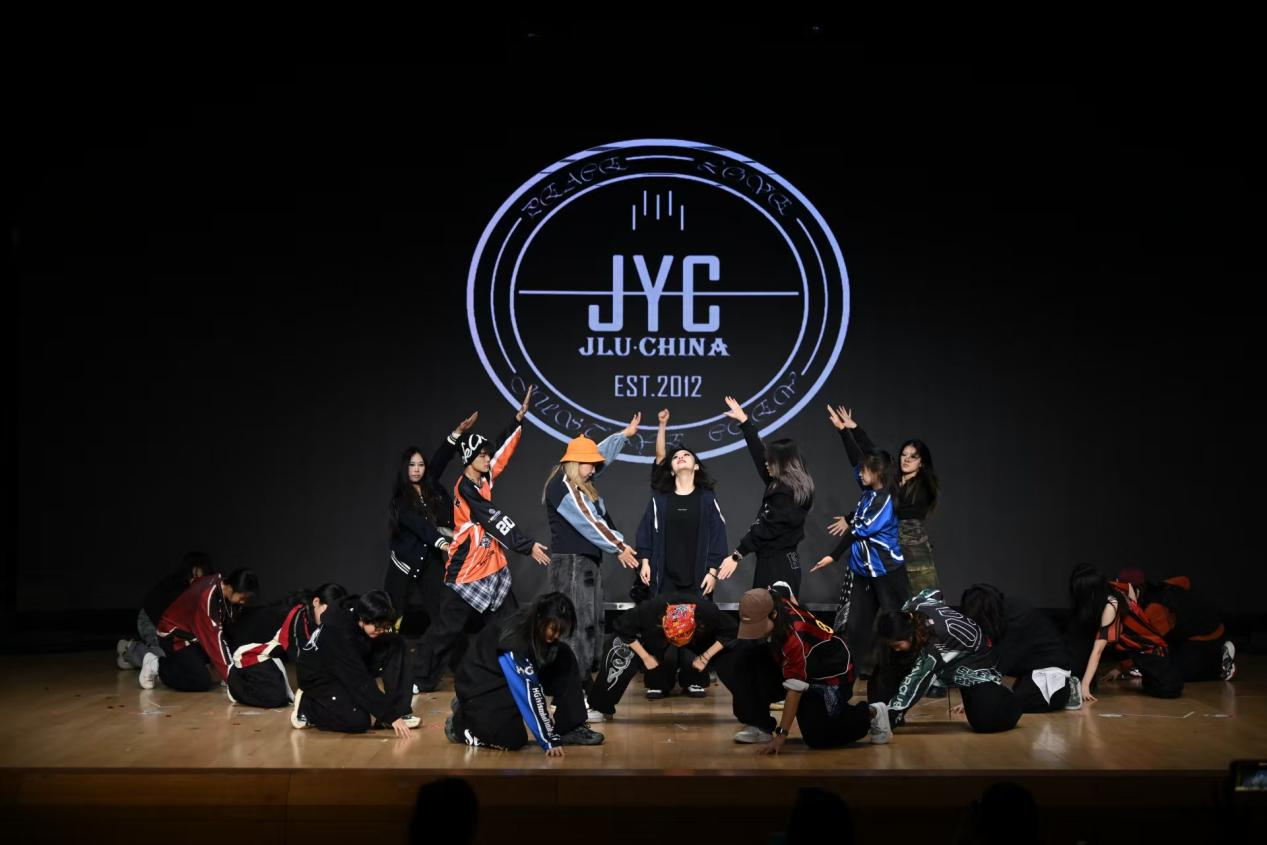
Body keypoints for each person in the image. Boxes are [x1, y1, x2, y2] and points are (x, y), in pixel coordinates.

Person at [413, 386, 551, 692]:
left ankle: (524, 674)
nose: (488, 459)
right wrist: (526, 545)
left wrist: (517, 419)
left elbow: (502, 453)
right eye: (482, 456)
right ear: (469, 458)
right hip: (467, 570)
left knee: (512, 624)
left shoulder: (483, 478)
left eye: (487, 455)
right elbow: (493, 518)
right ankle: (421, 678)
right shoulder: (466, 488)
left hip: (492, 567)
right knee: (446, 630)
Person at [714, 584, 892, 752]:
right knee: (742, 660)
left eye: (758, 626)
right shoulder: (770, 600)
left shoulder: (795, 637)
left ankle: (872, 713)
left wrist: (782, 735)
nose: (754, 632)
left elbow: (794, 691)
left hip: (830, 678)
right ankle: (760, 725)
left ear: (773, 615)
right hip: (797, 664)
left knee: (817, 737)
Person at [541, 413, 642, 685]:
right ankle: (574, 683)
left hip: (585, 562)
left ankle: (583, 680)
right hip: (571, 565)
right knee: (575, 625)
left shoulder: (579, 480)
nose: (595, 470)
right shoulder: (564, 488)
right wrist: (619, 546)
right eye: (590, 465)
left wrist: (623, 436)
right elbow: (590, 522)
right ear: (576, 464)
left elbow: (600, 456)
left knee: (591, 623)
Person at [445, 592, 604, 755]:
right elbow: (530, 693)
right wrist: (548, 739)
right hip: (480, 685)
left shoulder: (538, 629)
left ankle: (570, 727)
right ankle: (461, 723)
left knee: (564, 654)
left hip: (504, 677)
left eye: (561, 631)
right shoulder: (515, 641)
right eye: (553, 629)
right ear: (540, 619)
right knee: (512, 739)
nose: (557, 636)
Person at [870, 589, 1023, 734]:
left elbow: (915, 683)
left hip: (975, 664)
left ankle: (1006, 698)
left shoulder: (936, 643)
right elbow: (934, 592)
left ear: (910, 634)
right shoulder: (912, 607)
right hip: (949, 656)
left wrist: (890, 717)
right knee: (886, 664)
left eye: (897, 644)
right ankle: (881, 711)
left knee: (985, 721)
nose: (896, 648)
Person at [291, 590, 417, 738]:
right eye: (378, 626)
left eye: (385, 626)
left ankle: (399, 710)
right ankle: (306, 706)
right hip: (320, 678)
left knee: (395, 643)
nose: (382, 630)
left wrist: (393, 714)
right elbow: (359, 680)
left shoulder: (360, 610)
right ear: (363, 618)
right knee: (358, 721)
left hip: (346, 663)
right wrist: (389, 715)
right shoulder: (340, 634)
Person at [720, 396, 814, 594]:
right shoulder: (785, 484)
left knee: (773, 611)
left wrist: (736, 556)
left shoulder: (784, 493)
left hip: (778, 566)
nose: (765, 463)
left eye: (770, 461)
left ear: (782, 464)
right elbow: (759, 454)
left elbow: (766, 528)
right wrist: (745, 422)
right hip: (780, 561)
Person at [140, 568, 258, 692]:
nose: (243, 601)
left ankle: (216, 669)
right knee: (200, 680)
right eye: (242, 597)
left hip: (195, 636)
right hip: (174, 636)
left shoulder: (220, 583)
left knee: (230, 639)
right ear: (231, 587)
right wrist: (233, 681)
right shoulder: (208, 597)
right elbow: (215, 639)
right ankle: (155, 664)